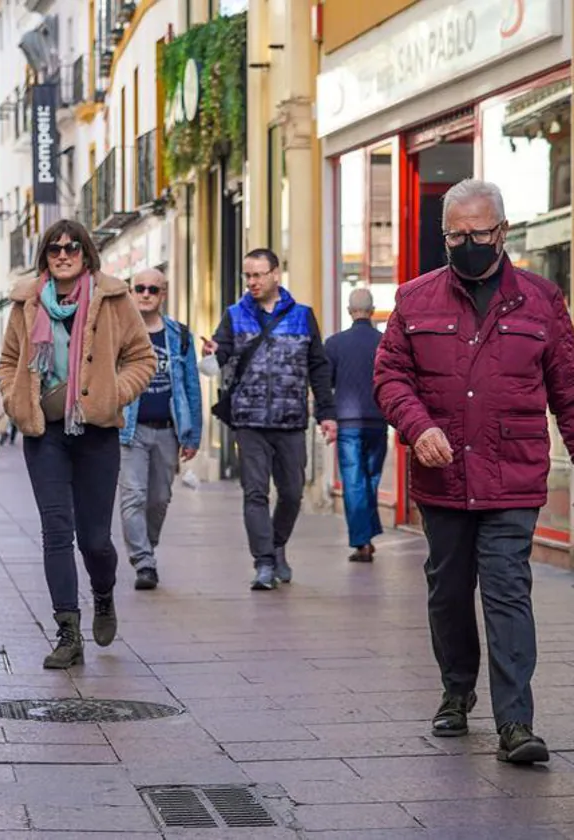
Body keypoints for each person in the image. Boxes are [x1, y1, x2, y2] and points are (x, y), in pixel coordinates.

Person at [374, 178, 574, 765]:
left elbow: (567, 391)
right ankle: (457, 690)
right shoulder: (414, 300)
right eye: (455, 235)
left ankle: (516, 721)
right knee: (449, 590)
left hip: (513, 474)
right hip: (444, 475)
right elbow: (390, 379)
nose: (466, 244)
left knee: (509, 590)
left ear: (503, 232)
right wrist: (418, 427)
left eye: (478, 233)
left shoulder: (542, 300)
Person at [0, 219, 156, 669]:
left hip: (96, 433)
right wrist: (14, 399)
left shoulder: (113, 297)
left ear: (86, 253)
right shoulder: (27, 301)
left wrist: (112, 394)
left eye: (71, 248)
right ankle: (68, 632)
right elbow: (10, 360)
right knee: (55, 531)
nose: (63, 255)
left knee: (95, 540)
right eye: (54, 249)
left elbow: (142, 358)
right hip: (43, 432)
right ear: (44, 256)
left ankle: (103, 594)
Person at [202, 248, 336, 590]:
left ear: (276, 274)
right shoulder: (234, 315)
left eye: (259, 274)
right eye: (248, 275)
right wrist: (212, 353)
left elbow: (318, 367)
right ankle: (263, 562)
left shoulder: (303, 316)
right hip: (249, 420)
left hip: (291, 420)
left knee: (292, 493)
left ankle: (276, 545)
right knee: (255, 493)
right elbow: (221, 357)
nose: (252, 282)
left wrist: (326, 413)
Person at [118, 268, 202, 591]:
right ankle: (143, 561)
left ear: (162, 294)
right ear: (130, 291)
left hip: (168, 429)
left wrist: (192, 435)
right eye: (139, 288)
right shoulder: (119, 334)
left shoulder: (179, 335)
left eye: (153, 289)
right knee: (133, 496)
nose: (146, 294)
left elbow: (192, 386)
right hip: (130, 429)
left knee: (160, 498)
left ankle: (147, 547)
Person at [324, 287, 387, 563]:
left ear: (350, 311)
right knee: (370, 480)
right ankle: (368, 535)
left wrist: (324, 416)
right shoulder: (384, 342)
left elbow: (325, 385)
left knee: (353, 482)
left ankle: (362, 541)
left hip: (348, 423)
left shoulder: (335, 344)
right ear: (372, 311)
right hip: (378, 421)